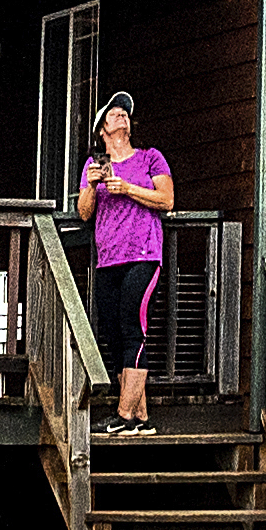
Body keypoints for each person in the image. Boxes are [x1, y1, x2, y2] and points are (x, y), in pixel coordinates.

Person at [77, 90, 173, 436]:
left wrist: (128, 188)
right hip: (108, 259)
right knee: (115, 336)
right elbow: (85, 213)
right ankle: (142, 418)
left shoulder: (149, 158)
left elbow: (166, 198)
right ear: (102, 128)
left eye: (126, 114)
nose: (123, 117)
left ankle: (124, 415)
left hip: (143, 254)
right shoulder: (95, 165)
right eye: (115, 114)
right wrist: (91, 187)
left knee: (134, 328)